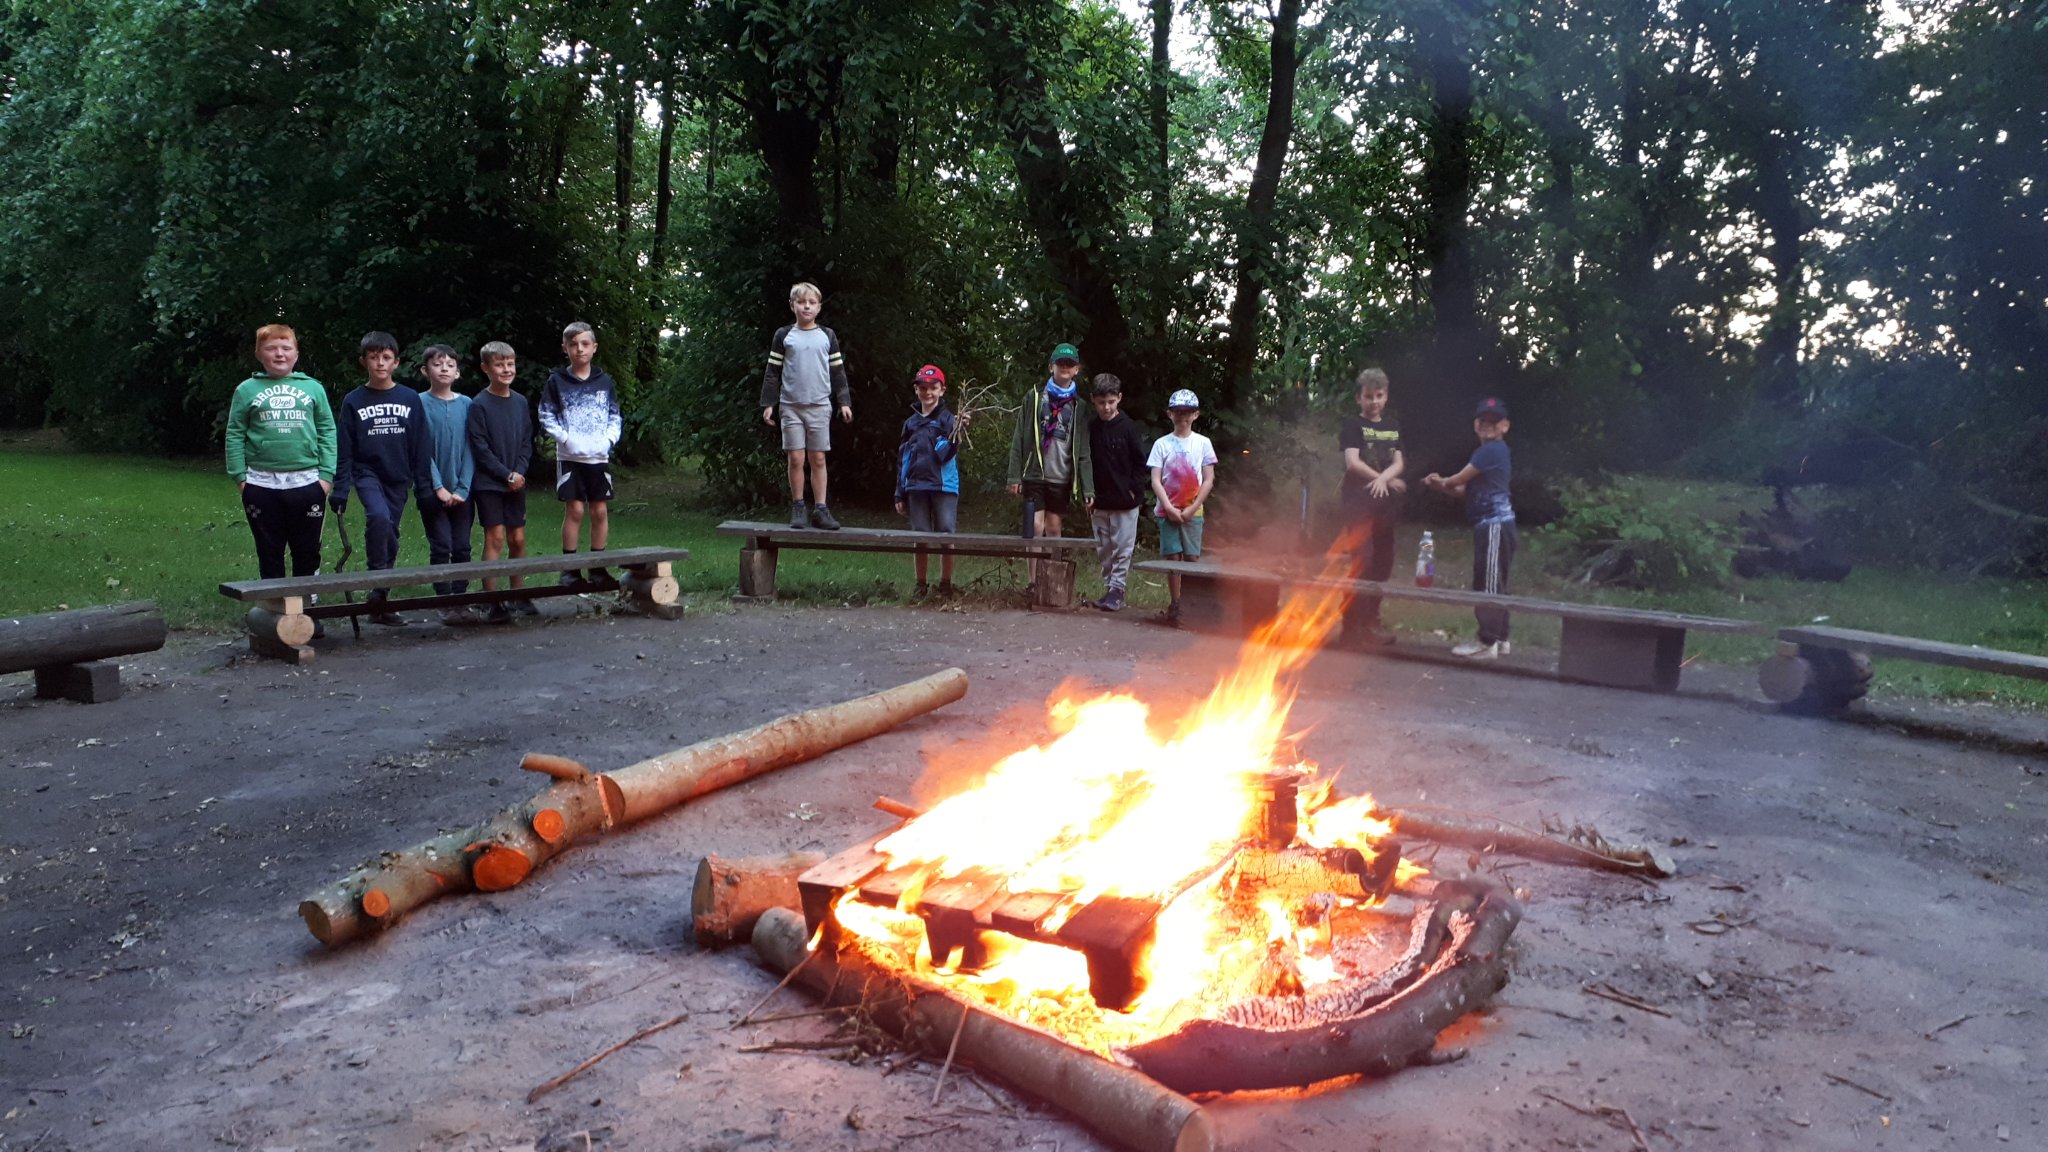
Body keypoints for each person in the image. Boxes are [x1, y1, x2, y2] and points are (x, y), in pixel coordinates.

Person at [225, 323, 336, 639]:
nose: (279, 353)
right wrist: (241, 477)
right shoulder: (247, 390)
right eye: (272, 348)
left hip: (307, 483)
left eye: (286, 348)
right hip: (262, 485)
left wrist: (325, 476)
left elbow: (328, 430)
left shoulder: (313, 388)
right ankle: (275, 617)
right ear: (259, 353)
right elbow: (235, 432)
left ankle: (306, 614)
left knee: (307, 551)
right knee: (269, 550)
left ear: (296, 354)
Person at [332, 331, 433, 626]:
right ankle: (378, 582)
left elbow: (421, 443)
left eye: (386, 358)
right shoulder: (354, 400)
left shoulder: (409, 398)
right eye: (374, 358)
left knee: (391, 531)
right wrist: (340, 487)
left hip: (398, 477)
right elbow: (345, 448)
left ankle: (380, 596)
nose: (380, 363)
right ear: (364, 361)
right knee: (378, 517)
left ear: (396, 362)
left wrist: (424, 486)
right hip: (367, 474)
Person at [1423, 397, 1516, 660]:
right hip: (1497, 525)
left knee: (1487, 583)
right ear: (1476, 424)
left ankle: (1487, 643)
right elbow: (1467, 492)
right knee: (1496, 582)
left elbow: (1458, 479)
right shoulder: (1493, 453)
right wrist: (1440, 486)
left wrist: (1442, 480)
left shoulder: (1490, 451)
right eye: (1482, 420)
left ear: (1504, 425)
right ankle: (1501, 639)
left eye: (1493, 421)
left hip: (1494, 525)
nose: (1487, 425)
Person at [759, 282, 853, 530]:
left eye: (812, 303)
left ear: (819, 307)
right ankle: (798, 506)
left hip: (820, 406)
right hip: (791, 406)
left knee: (818, 458)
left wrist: (844, 402)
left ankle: (821, 509)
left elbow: (838, 372)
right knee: (796, 457)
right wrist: (769, 403)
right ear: (793, 306)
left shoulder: (827, 336)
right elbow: (772, 372)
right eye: (801, 302)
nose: (807, 306)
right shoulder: (783, 336)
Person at [540, 321, 622, 588]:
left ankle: (598, 569)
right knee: (575, 510)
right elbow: (546, 415)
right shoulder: (557, 381)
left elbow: (614, 416)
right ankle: (570, 570)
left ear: (594, 347)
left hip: (598, 458)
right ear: (565, 348)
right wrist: (566, 439)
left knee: (599, 511)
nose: (579, 349)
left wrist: (608, 440)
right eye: (573, 345)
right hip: (570, 457)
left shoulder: (605, 381)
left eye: (585, 344)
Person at [468, 341, 537, 622]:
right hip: (489, 483)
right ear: (486, 368)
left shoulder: (520, 402)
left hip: (516, 481)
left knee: (518, 538)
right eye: (499, 364)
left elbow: (526, 442)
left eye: (510, 364)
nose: (506, 369)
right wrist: (504, 474)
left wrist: (518, 473)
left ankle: (518, 594)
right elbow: (480, 447)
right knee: (495, 538)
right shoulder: (478, 404)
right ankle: (491, 599)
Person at [1338, 367, 1406, 644]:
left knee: (1383, 562)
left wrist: (1386, 480)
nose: (1374, 401)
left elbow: (1400, 463)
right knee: (1362, 561)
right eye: (1368, 396)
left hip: (1384, 507)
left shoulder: (1392, 426)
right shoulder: (1353, 426)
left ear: (1386, 396)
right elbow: (1352, 462)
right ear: (1359, 398)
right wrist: (1383, 479)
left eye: (1379, 396)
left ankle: (1371, 621)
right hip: (1358, 503)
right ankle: (1351, 626)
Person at [1005, 342, 1094, 546]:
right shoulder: (1035, 396)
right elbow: (1019, 437)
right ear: (1050, 366)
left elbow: (1083, 451)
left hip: (1061, 475)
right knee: (1034, 527)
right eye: (1060, 363)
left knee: (1053, 528)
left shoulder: (1079, 406)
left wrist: (1087, 488)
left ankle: (1052, 577)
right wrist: (1014, 475)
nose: (1064, 367)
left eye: (1069, 364)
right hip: (1035, 473)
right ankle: (1033, 578)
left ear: (1076, 370)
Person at [894, 364, 969, 598]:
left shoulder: (949, 420)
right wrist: (900, 491)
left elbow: (945, 454)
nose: (928, 393)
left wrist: (957, 431)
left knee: (946, 534)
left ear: (942, 390)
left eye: (933, 388)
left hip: (943, 486)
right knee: (920, 536)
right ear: (916, 391)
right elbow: (903, 458)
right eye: (923, 388)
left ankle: (946, 583)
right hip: (916, 486)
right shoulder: (910, 423)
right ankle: (921, 584)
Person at [417, 344, 476, 623]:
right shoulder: (418, 403)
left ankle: (460, 598)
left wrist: (462, 489)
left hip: (463, 493)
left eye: (450, 365)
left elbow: (470, 448)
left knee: (462, 546)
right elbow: (421, 450)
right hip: (432, 491)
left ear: (458, 372)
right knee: (441, 545)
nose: (444, 369)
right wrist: (438, 487)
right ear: (424, 370)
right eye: (438, 364)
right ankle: (443, 598)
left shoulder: (467, 405)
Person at [1148, 388, 1217, 628]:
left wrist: (1194, 506)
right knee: (1172, 556)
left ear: (1196, 415)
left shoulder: (1203, 443)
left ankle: (1194, 603)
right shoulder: (1161, 444)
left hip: (1193, 510)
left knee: (1192, 557)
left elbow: (1208, 479)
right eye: (1178, 412)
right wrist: (1167, 506)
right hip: (1167, 510)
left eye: (1188, 412)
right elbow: (1156, 479)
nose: (1183, 417)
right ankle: (1176, 602)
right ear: (1170, 414)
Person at [1082, 374, 1148, 612]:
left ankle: (1118, 589)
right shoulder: (1090, 428)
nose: (1106, 407)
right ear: (1093, 401)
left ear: (1119, 398)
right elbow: (1085, 461)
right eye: (1101, 402)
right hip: (1099, 500)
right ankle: (1109, 588)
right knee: (1105, 549)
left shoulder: (1128, 427)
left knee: (1123, 548)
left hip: (1125, 501)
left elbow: (1141, 463)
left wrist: (1133, 491)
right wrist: (1088, 493)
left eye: (1111, 401)